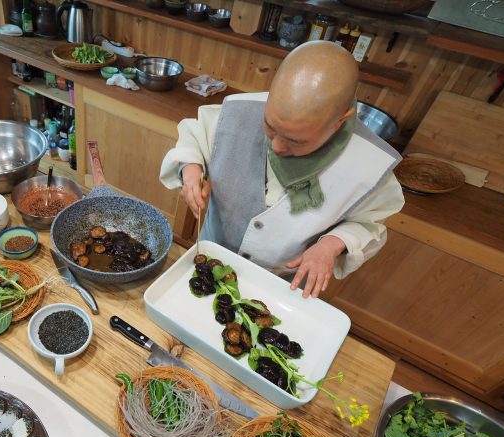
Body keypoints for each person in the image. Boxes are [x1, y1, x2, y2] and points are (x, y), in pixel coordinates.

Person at [160, 41, 404, 298]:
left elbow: (370, 224)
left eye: (296, 141)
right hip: (210, 258)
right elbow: (194, 138)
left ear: (339, 122)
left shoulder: (370, 166)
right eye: (269, 126)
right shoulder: (238, 112)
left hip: (280, 286)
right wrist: (191, 169)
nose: (276, 146)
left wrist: (333, 245)